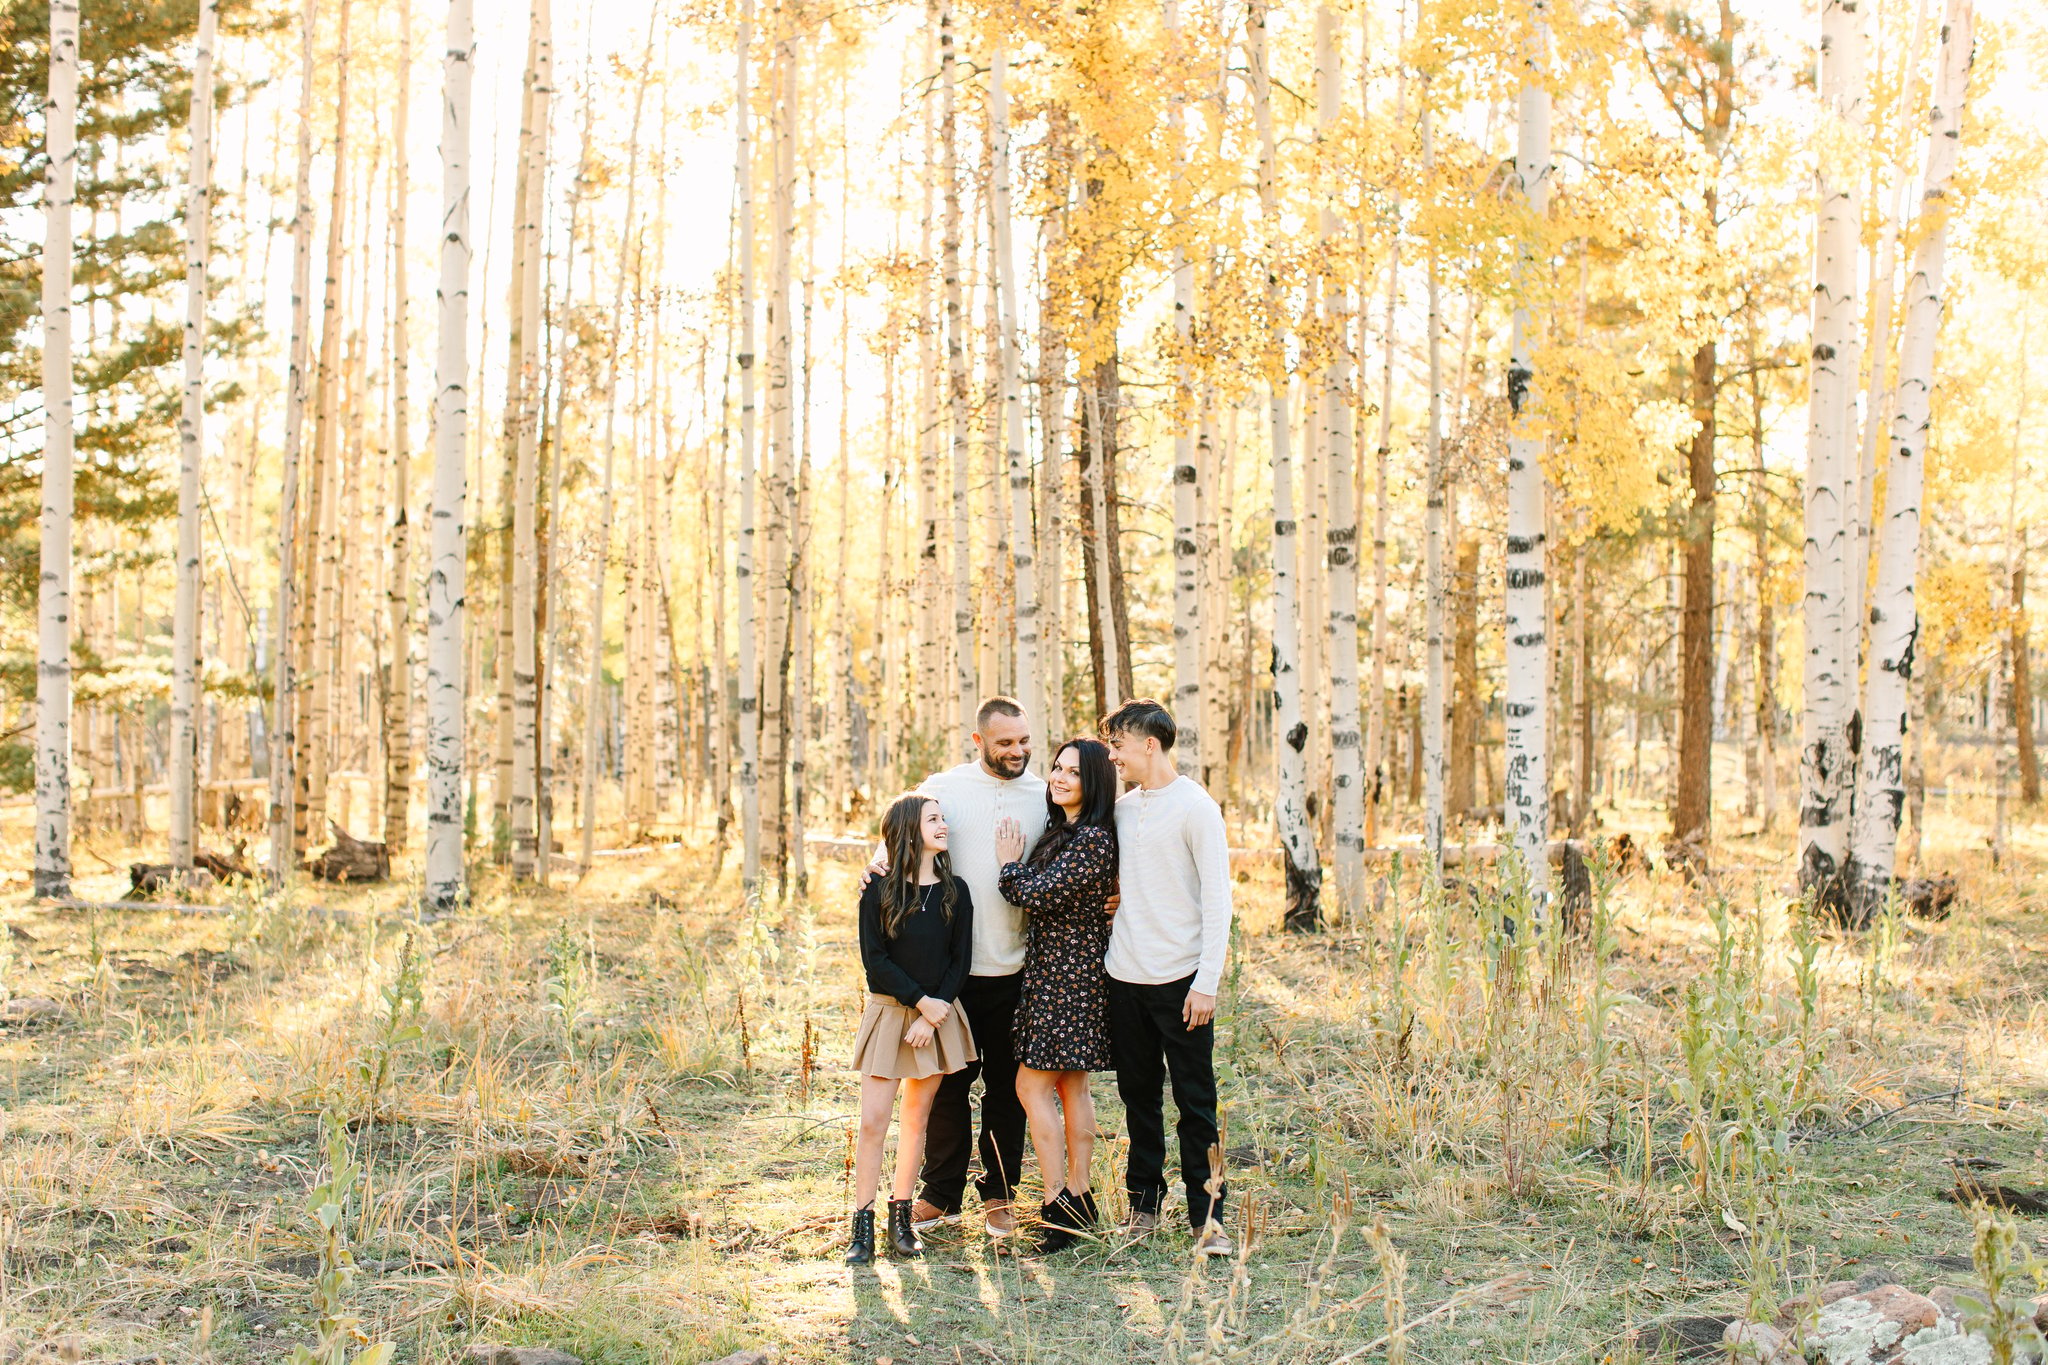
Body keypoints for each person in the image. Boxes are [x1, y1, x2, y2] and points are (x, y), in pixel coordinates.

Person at [867, 697, 1047, 1240]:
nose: (1017, 751)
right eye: (1004, 743)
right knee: (946, 1084)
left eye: (1023, 740)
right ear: (979, 742)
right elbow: (896, 837)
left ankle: (999, 1195)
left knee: (1007, 1087)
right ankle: (940, 1194)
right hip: (950, 973)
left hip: (1016, 965)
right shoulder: (943, 787)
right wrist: (873, 865)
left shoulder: (1043, 795)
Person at [1099, 698, 1236, 1257]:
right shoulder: (1123, 810)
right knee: (1138, 1101)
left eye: (1119, 745)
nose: (1114, 756)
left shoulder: (1195, 807)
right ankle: (1143, 1208)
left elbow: (1217, 900)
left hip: (1182, 983)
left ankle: (1209, 1220)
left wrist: (1207, 981)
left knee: (1195, 1103)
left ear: (1148, 745)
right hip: (1124, 977)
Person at [994, 738, 1118, 1253]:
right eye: (1057, 768)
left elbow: (1038, 893)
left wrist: (1008, 865)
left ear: (1095, 782)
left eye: (1073, 772)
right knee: (1071, 1087)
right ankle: (1080, 1198)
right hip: (1063, 970)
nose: (1059, 778)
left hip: (1069, 975)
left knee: (1031, 1086)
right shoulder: (1066, 832)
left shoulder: (1091, 838)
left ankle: (1055, 1202)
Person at [846, 793, 978, 1266]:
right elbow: (874, 962)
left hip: (938, 1018)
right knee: (872, 1123)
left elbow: (960, 960)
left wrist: (934, 1012)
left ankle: (900, 1221)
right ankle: (860, 1226)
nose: (944, 826)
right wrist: (919, 1004)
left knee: (917, 1120)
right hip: (889, 1015)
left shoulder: (955, 891)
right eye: (934, 820)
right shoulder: (878, 890)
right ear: (907, 829)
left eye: (944, 818)